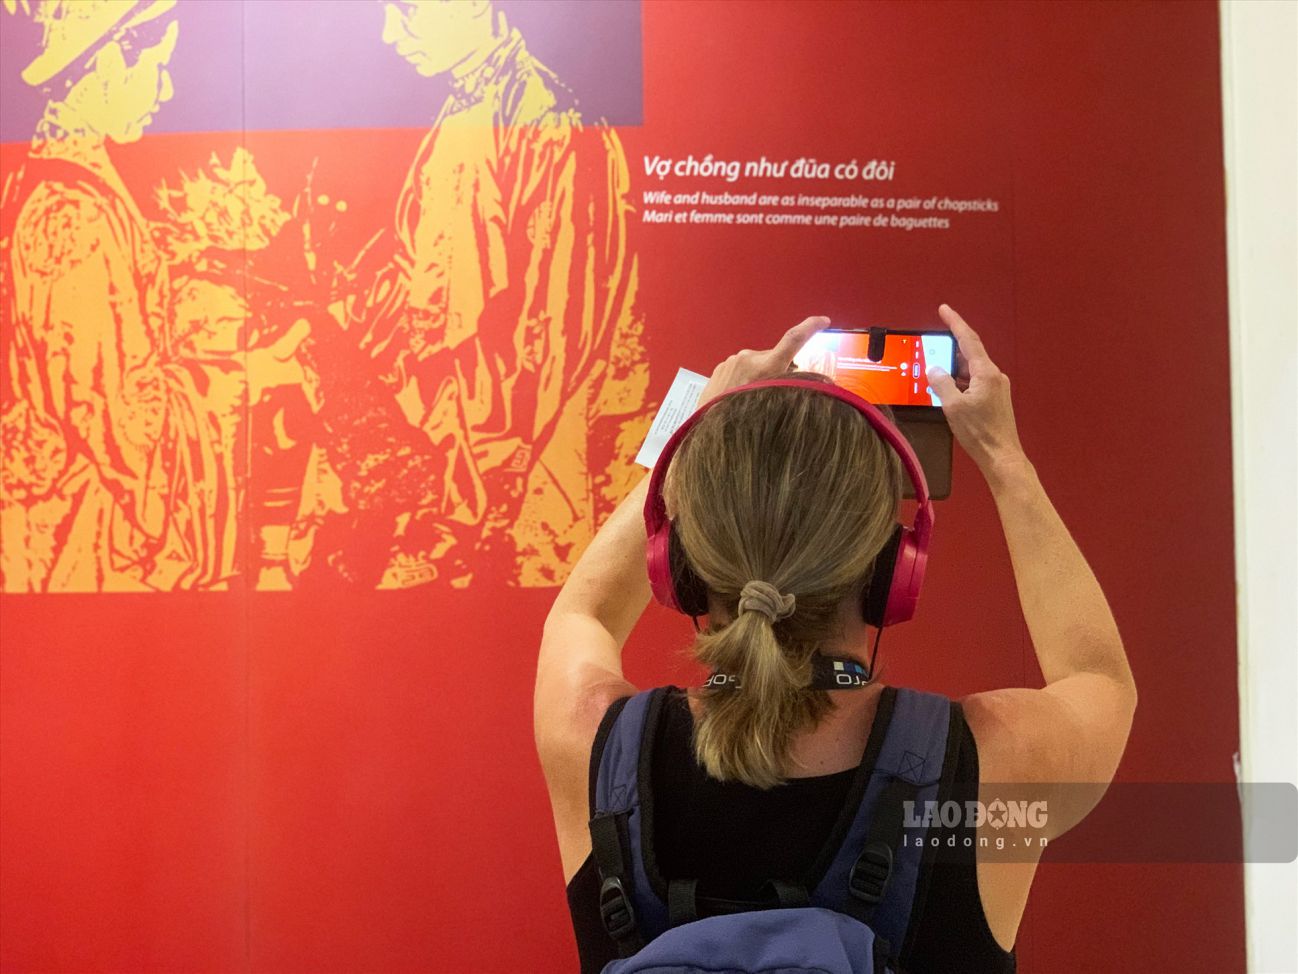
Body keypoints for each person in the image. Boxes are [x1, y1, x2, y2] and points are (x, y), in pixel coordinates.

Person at [534, 307, 1137, 971]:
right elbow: (1098, 677)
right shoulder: (991, 764)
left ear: (675, 566)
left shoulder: (593, 743)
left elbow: (581, 613)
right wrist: (1003, 456)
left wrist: (688, 429)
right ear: (892, 573)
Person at [296, 0, 647, 589]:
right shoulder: (463, 104)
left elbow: (558, 328)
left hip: (497, 478)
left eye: (405, 10)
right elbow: (427, 276)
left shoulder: (550, 119)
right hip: (435, 456)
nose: (388, 34)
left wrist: (487, 474)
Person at [0, 0, 304, 591]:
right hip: (85, 535)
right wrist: (245, 375)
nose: (164, 91)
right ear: (107, 61)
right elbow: (122, 426)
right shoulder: (74, 216)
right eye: (156, 69)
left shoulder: (64, 185)